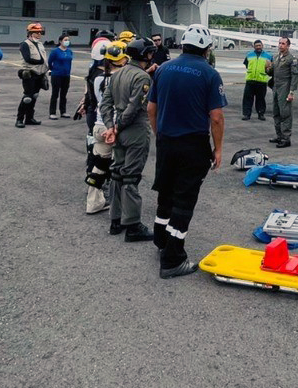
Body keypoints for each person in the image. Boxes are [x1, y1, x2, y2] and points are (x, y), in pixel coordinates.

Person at [148, 24, 225, 278]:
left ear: (182, 44)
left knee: (166, 193)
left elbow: (151, 108)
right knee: (185, 200)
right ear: (207, 48)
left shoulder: (163, 69)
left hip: (166, 141)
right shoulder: (209, 74)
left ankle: (161, 242)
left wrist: (159, 134)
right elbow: (216, 117)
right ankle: (172, 259)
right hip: (192, 144)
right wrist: (218, 148)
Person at [101, 39, 155, 242]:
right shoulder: (143, 78)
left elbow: (105, 104)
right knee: (131, 177)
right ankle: (132, 225)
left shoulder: (117, 75)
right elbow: (134, 108)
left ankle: (115, 220)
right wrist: (118, 126)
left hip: (118, 131)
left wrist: (110, 127)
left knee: (116, 173)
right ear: (147, 55)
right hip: (135, 130)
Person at [74, 39, 116, 214]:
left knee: (97, 160)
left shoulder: (95, 76)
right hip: (111, 124)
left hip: (96, 120)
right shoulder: (114, 78)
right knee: (115, 163)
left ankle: (93, 200)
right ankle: (115, 200)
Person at [268, 36, 298, 148]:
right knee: (276, 112)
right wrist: (267, 68)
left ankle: (286, 138)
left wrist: (291, 92)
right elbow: (271, 72)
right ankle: (279, 135)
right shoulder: (276, 57)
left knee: (285, 114)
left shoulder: (292, 59)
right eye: (279, 43)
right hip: (276, 88)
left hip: (285, 88)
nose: (280, 45)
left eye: (283, 44)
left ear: (288, 46)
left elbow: (295, 76)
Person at [16, 22, 48, 128]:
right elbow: (28, 59)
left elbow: (44, 59)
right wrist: (40, 62)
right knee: (27, 97)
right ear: (30, 33)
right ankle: (19, 119)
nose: (39, 34)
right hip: (29, 74)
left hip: (39, 74)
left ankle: (29, 118)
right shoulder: (25, 44)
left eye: (40, 32)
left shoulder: (39, 44)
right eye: (36, 32)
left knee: (34, 96)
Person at [240, 40, 272, 121]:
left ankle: (261, 114)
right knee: (247, 98)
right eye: (256, 45)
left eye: (260, 45)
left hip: (261, 81)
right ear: (254, 46)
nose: (258, 47)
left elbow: (271, 67)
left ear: (262, 46)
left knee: (261, 99)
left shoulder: (268, 56)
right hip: (250, 80)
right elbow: (247, 65)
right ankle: (246, 114)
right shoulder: (249, 54)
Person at [47, 35, 74, 119]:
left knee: (64, 94)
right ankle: (52, 112)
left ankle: (63, 111)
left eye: (68, 40)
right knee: (55, 94)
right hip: (56, 75)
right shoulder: (55, 51)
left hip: (66, 75)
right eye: (65, 40)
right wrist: (53, 69)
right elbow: (50, 61)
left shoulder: (70, 51)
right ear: (60, 41)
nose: (67, 41)